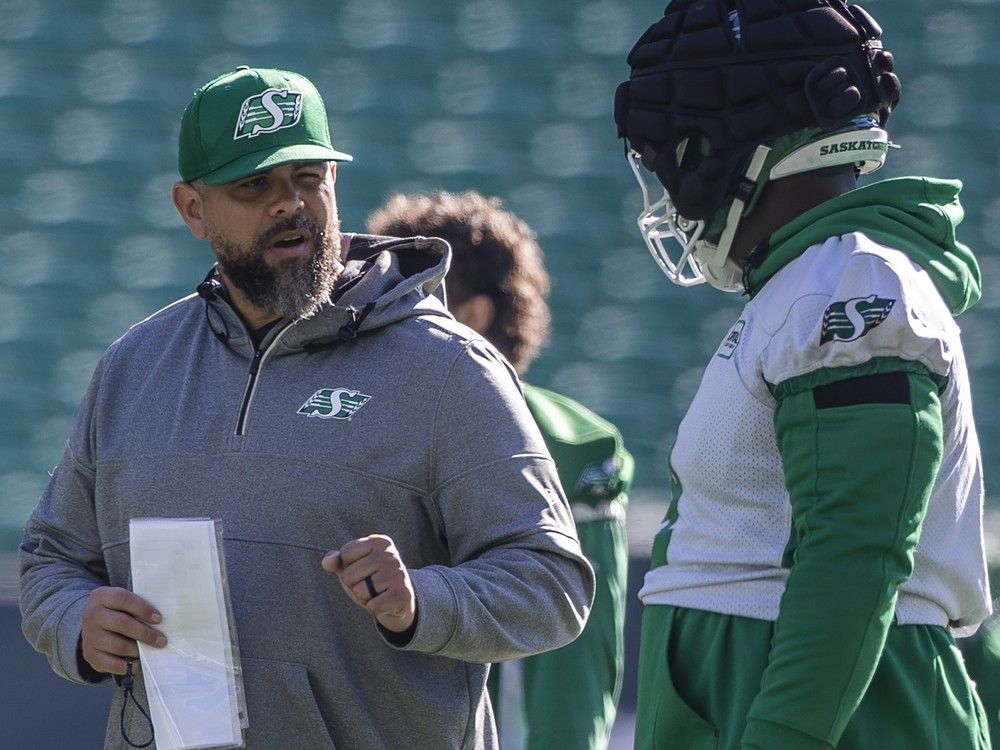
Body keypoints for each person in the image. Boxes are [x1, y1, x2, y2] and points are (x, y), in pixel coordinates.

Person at [18, 66, 595, 750]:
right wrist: (77, 623)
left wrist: (421, 602)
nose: (289, 205)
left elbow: (552, 585)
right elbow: (51, 559)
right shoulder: (134, 367)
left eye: (307, 178)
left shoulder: (448, 369)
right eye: (253, 186)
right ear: (192, 209)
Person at [614, 2, 993, 748]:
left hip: (832, 709)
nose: (673, 185)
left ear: (738, 150)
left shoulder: (846, 285)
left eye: (682, 152)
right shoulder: (806, 285)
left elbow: (855, 555)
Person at [367, 190, 634, 750]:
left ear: (471, 315)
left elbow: (573, 672)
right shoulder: (373, 418)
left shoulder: (565, 444)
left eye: (408, 294)